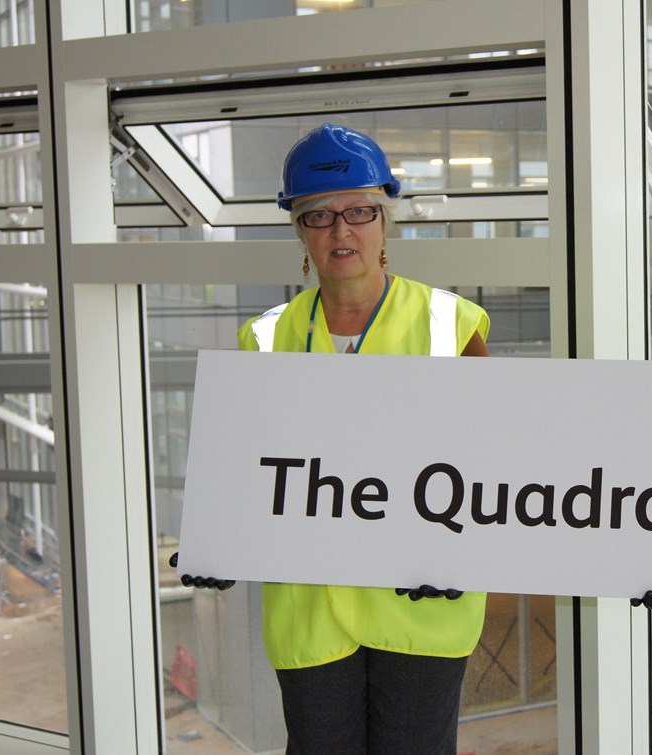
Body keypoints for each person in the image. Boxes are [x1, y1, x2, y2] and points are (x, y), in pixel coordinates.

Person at [173, 122, 490, 754]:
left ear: (385, 220)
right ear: (298, 228)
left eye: (360, 211)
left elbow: (488, 464)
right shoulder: (262, 338)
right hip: (309, 609)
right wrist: (217, 541)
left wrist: (469, 555)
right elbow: (243, 467)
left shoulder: (450, 324)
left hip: (420, 599)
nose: (342, 231)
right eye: (319, 216)